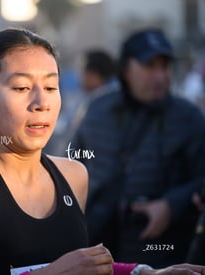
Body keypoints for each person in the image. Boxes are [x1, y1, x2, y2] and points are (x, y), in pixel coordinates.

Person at [0, 2, 205, 274]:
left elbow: (79, 268)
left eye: (50, 87)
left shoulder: (74, 175)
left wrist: (143, 271)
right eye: (20, 88)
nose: (41, 103)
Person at [71, 28, 205, 267]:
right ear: (125, 70)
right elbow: (72, 163)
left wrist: (172, 205)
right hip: (99, 245)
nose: (160, 76)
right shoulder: (98, 110)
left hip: (162, 250)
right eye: (149, 66)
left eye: (164, 66)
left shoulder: (189, 118)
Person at [45, 49, 119, 156]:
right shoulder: (102, 97)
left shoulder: (100, 103)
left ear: (93, 74)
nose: (79, 78)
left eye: (81, 72)